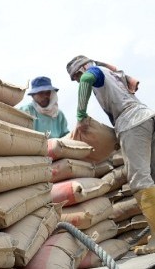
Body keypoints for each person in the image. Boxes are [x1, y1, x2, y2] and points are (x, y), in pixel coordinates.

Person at [66, 55, 155, 255]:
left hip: (132, 123)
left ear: (81, 70)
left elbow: (87, 79)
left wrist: (81, 116)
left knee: (140, 181)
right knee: (152, 177)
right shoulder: (112, 72)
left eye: (76, 78)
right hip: (147, 116)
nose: (78, 81)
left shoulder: (94, 73)